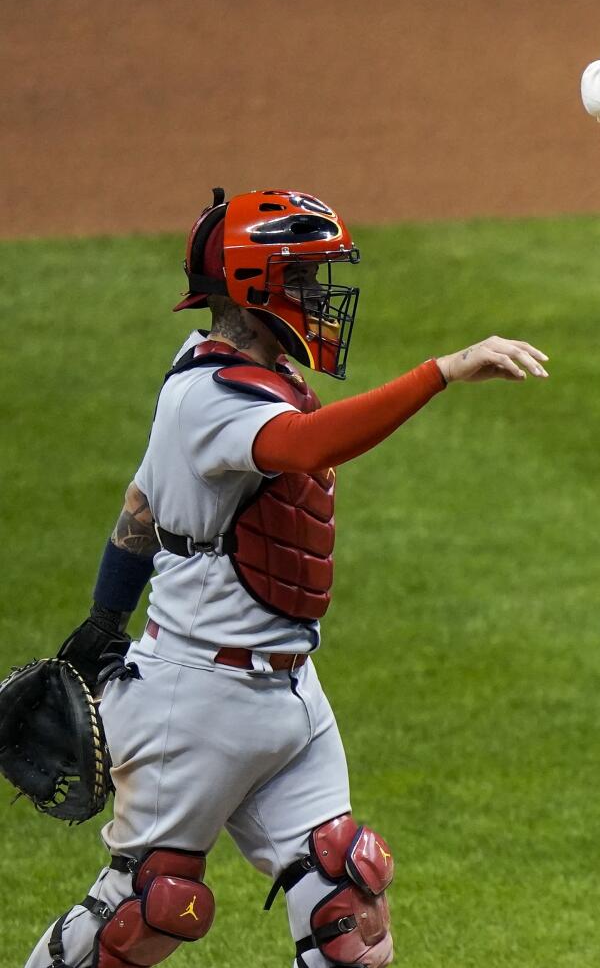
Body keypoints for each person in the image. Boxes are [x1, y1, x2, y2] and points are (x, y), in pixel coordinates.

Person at [26, 188, 549, 968]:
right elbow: (305, 446)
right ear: (258, 284)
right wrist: (440, 371)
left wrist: (105, 619)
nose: (320, 296)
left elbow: (142, 502)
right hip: (197, 700)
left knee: (347, 908)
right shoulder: (207, 396)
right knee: (143, 912)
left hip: (291, 695)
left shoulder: (245, 373)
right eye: (305, 278)